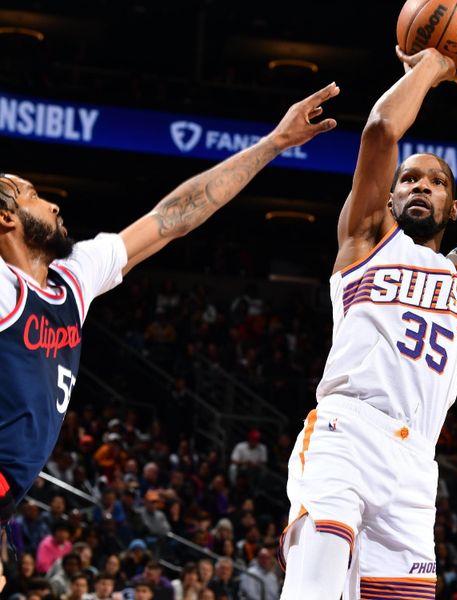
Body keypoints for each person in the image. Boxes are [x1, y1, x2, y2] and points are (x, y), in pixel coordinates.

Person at [278, 3, 457, 599]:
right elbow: (379, 132)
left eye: (437, 182)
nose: (421, 184)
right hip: (345, 433)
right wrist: (430, 64)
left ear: (453, 209)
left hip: (416, 463)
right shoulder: (364, 238)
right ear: (391, 200)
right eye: (409, 180)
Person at [0, 82, 339, 521]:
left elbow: (171, 218)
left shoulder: (74, 277)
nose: (52, 205)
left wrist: (274, 143)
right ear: (6, 218)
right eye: (32, 196)